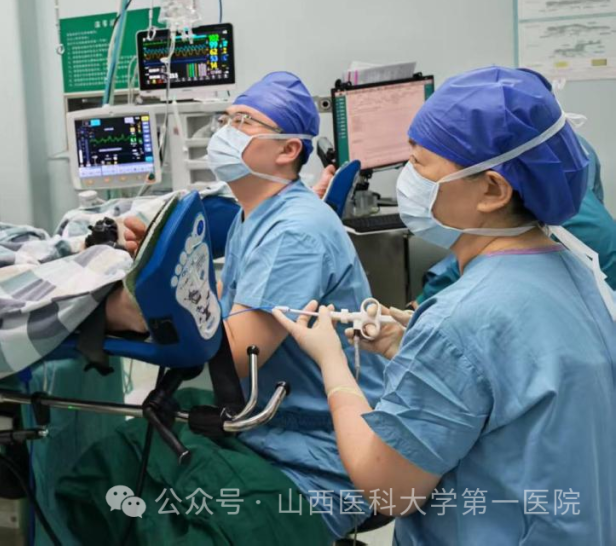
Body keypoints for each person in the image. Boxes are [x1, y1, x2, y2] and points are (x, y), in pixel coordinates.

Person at [274, 66, 616, 544]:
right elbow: (510, 384)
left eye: (419, 163)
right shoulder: (576, 271)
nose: (408, 179)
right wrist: (409, 346)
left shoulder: (461, 320)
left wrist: (332, 362)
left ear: (493, 190)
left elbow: (387, 489)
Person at [205, 71, 386, 538]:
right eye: (225, 118)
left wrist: (144, 308)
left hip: (321, 458)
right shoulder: (255, 214)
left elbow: (235, 357)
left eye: (243, 121)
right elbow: (227, 305)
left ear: (287, 150)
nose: (224, 131)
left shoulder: (294, 232)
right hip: (274, 429)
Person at [417, 133, 616, 301]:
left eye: (418, 163)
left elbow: (489, 247)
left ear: (493, 188)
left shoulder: (533, 228)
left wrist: (425, 306)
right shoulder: (572, 150)